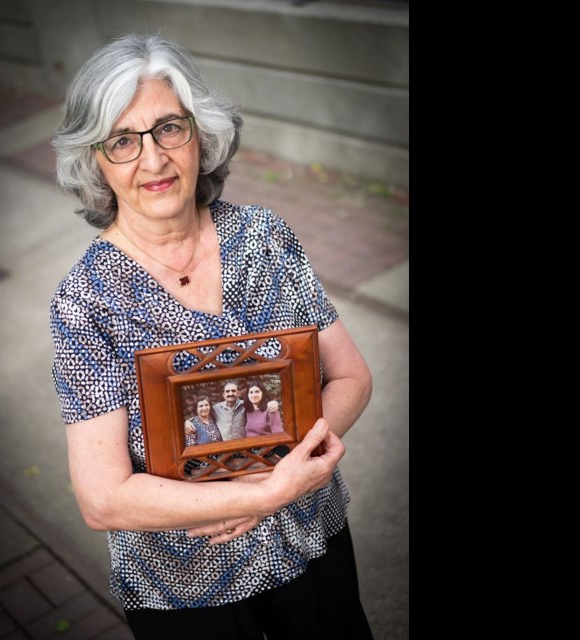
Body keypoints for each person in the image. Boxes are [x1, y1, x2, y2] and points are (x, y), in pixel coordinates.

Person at [50, 33, 374, 639]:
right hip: (184, 590)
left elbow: (352, 377)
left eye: (170, 128)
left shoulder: (263, 238)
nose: (153, 160)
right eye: (122, 141)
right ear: (94, 160)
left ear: (202, 133)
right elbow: (103, 498)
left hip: (313, 542)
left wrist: (286, 481)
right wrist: (262, 493)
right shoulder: (85, 302)